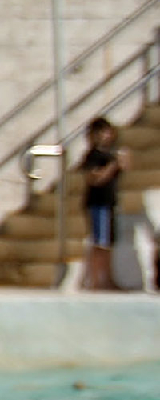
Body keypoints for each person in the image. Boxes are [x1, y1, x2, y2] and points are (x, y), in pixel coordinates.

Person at [76, 117, 125, 290]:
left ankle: (107, 278)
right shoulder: (93, 156)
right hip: (98, 204)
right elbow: (94, 179)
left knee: (108, 243)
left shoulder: (110, 154)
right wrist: (112, 166)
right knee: (99, 243)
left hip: (109, 203)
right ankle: (97, 280)